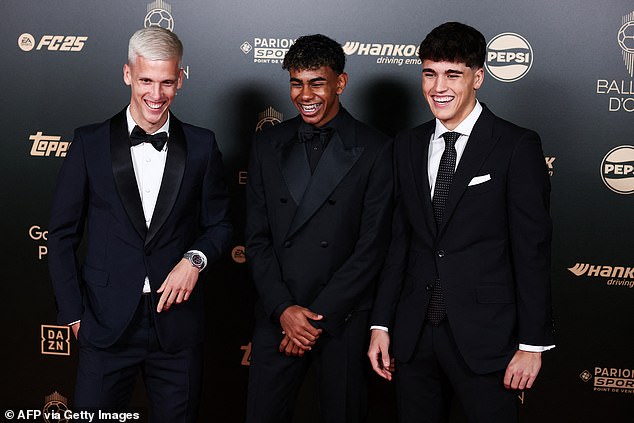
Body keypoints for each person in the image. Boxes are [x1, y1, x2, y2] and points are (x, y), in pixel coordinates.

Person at [368, 22, 554, 423]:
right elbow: (398, 242)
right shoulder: (406, 144)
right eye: (430, 73)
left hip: (487, 338)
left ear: (478, 78)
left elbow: (531, 250)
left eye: (453, 74)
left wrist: (532, 344)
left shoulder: (515, 145)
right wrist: (381, 323)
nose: (439, 87)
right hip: (414, 335)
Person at [48, 26, 232, 422]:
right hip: (104, 322)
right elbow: (61, 236)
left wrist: (194, 260)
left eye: (167, 82)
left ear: (181, 79)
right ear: (127, 73)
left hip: (177, 327)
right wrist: (75, 317)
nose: (156, 94)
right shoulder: (89, 142)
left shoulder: (202, 145)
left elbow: (220, 225)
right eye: (146, 79)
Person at [245, 34, 393, 423]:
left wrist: (314, 320)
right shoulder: (267, 144)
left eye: (317, 82)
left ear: (340, 83)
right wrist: (284, 311)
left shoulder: (376, 149)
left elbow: (371, 247)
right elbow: (257, 239)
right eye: (296, 82)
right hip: (278, 318)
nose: (304, 94)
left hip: (340, 320)